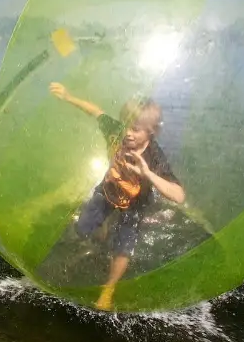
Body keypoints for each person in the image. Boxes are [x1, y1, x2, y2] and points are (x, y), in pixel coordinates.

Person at [49, 82, 187, 311]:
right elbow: (95, 111)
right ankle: (102, 229)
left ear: (150, 132)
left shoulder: (154, 156)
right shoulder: (117, 130)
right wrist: (68, 96)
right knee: (83, 228)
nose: (128, 133)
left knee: (123, 246)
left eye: (136, 129)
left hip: (134, 203)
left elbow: (179, 195)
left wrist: (148, 174)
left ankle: (109, 287)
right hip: (109, 189)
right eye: (126, 126)